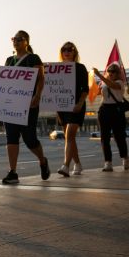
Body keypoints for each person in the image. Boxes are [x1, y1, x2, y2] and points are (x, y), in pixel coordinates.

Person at [0, 30, 50, 184]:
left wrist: (37, 95)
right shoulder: (9, 60)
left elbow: (41, 78)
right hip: (11, 105)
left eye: (19, 39)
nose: (15, 41)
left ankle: (42, 161)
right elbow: (4, 83)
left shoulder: (33, 58)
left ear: (26, 42)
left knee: (30, 139)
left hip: (28, 104)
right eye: (14, 39)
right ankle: (13, 172)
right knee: (11, 137)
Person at [56, 42, 89, 177]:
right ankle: (78, 164)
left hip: (76, 105)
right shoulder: (57, 69)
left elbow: (85, 89)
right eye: (64, 49)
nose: (67, 52)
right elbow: (55, 91)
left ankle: (65, 166)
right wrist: (56, 110)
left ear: (75, 52)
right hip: (62, 107)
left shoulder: (80, 68)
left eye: (70, 49)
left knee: (70, 136)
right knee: (69, 138)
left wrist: (80, 104)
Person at [92, 63, 129, 172]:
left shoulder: (120, 83)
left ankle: (125, 157)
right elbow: (97, 93)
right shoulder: (103, 83)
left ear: (118, 73)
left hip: (116, 110)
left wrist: (99, 76)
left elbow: (112, 86)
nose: (111, 73)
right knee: (104, 137)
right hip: (104, 109)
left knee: (119, 136)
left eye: (114, 71)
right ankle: (108, 162)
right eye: (109, 71)